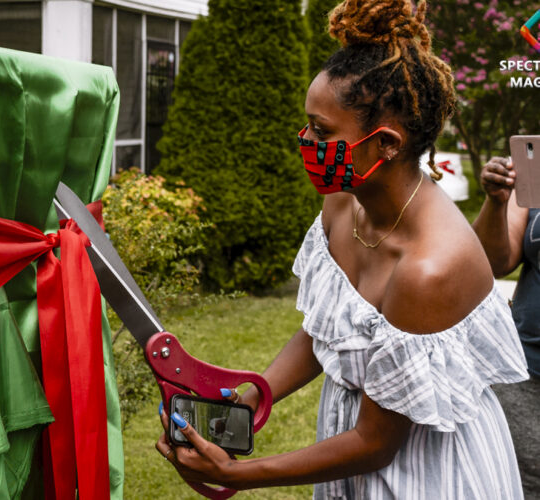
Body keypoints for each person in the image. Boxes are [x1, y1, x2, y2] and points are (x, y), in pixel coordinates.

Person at [154, 0, 529, 497]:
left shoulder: (429, 268)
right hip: (349, 448)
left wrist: (235, 475)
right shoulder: (341, 203)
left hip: (426, 472)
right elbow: (327, 331)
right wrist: (246, 404)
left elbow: (377, 442)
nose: (304, 139)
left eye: (322, 131)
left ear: (388, 143)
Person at [472, 156, 540, 497]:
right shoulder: (536, 169)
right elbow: (495, 262)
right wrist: (496, 201)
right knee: (520, 484)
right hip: (526, 373)